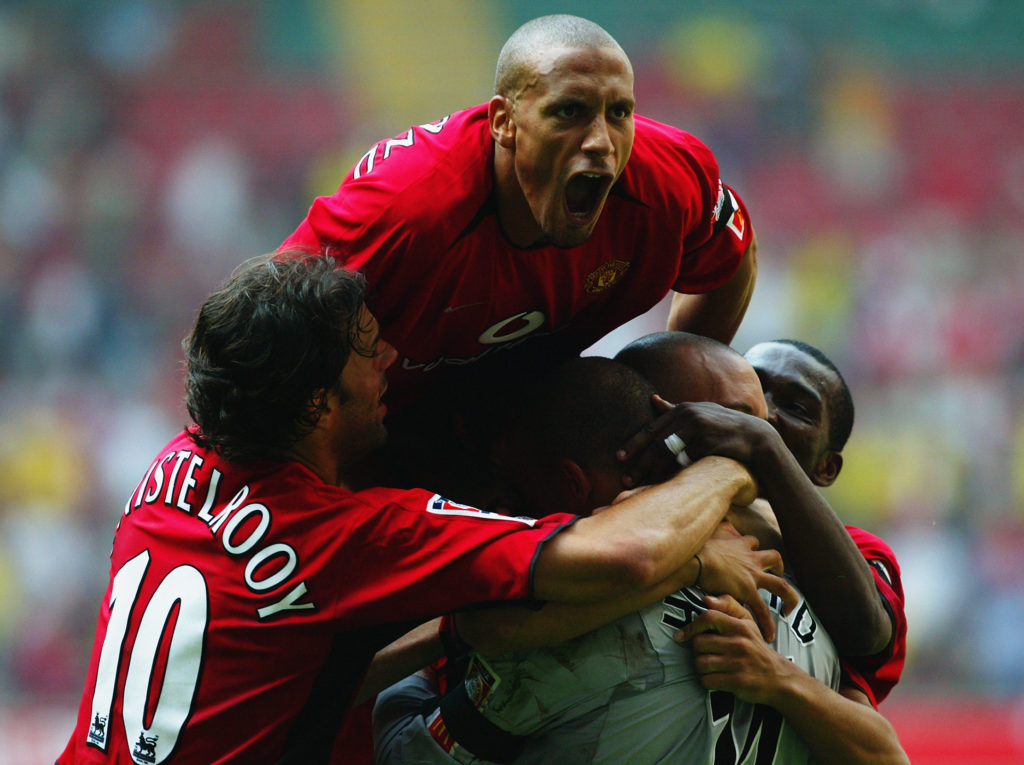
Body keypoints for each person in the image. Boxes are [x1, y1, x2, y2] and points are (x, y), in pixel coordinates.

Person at [56, 254, 771, 764]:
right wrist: (732, 463)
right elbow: (625, 554)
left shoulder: (173, 465)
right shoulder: (348, 536)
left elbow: (291, 676)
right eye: (368, 350)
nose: (393, 356)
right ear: (316, 403)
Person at [279, 14, 757, 496]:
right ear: (504, 123)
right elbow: (263, 339)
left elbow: (734, 261)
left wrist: (661, 420)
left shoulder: (666, 181)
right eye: (569, 112)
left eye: (619, 112)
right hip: (380, 445)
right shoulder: (404, 211)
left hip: (530, 430)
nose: (601, 142)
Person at [373, 353, 908, 764]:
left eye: (783, 412)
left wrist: (776, 679)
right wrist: (700, 554)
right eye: (748, 410)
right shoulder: (573, 551)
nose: (756, 428)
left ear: (827, 467)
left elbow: (871, 646)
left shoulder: (838, 565)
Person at [742, 338, 907, 707]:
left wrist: (765, 449)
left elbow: (865, 635)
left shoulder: (861, 553)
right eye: (752, 386)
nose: (763, 413)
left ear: (826, 468)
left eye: (796, 407)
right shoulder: (641, 494)